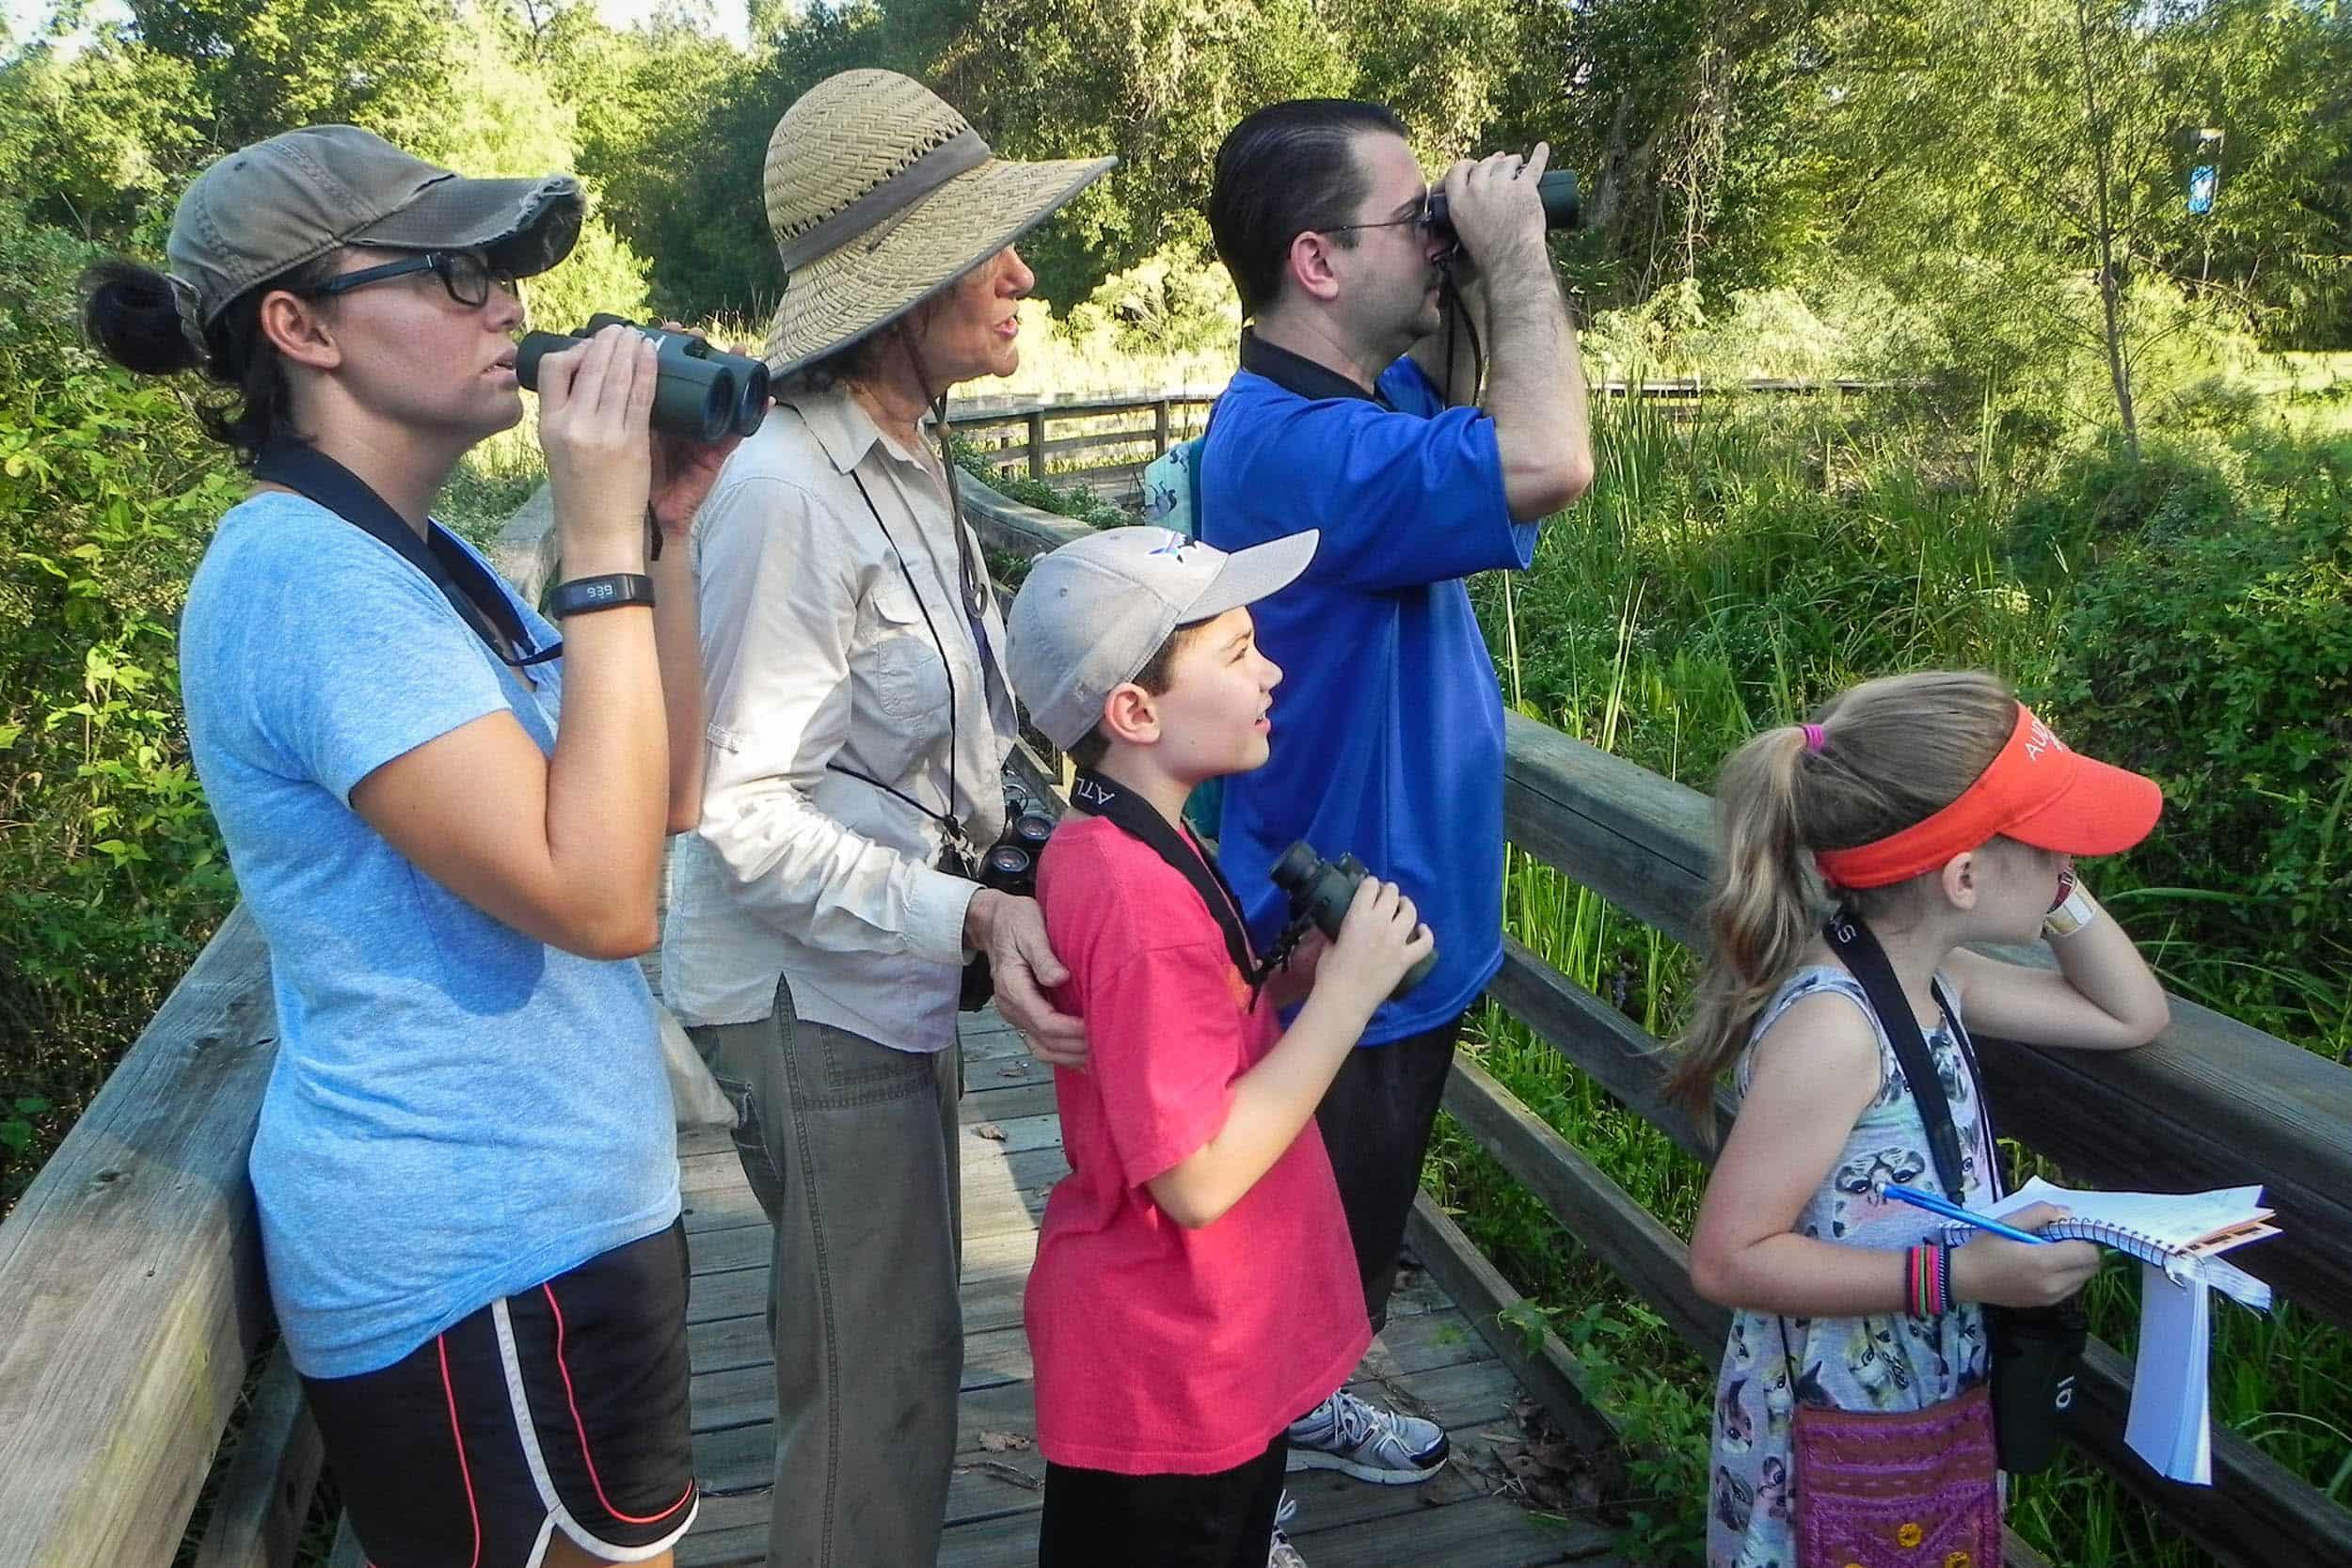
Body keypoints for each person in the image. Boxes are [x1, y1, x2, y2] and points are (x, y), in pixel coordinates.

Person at [82, 125, 736, 1568]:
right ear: (300, 326)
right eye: (452, 271)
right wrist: (598, 540)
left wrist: (660, 533)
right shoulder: (306, 577)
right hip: (478, 1254)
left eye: (502, 267)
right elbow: (603, 895)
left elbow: (661, 799)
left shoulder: (412, 557)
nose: (504, 301)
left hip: (559, 1217)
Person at [660, 69, 1111, 1567]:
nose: (1021, 271)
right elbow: (741, 812)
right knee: (877, 1385)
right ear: (900, 287)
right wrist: (978, 911)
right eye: (990, 245)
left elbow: (951, 727)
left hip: (881, 974)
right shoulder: (784, 492)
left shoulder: (909, 455)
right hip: (813, 994)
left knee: (902, 1353)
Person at [1197, 99, 1595, 1483]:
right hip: (1337, 947)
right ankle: (1235, 1498)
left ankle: (1296, 1409)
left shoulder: (1355, 410)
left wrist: (1472, 259)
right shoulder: (1296, 451)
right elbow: (1551, 458)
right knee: (1273, 1271)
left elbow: (1478, 396)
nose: (1435, 237)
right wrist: (1519, 256)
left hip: (1397, 933)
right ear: (1315, 260)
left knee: (1337, 1250)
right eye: (1407, 216)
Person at [1003, 525, 1434, 1568]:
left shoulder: (1120, 835)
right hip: (1173, 1365)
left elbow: (1179, 1021)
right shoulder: (1133, 890)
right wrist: (1345, 998)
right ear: (1135, 710)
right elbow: (1194, 1173)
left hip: (1197, 1346)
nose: (1270, 668)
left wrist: (1285, 975)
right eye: (1236, 652)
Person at [1674, 672, 2171, 1568]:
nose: (2073, 858)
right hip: (1832, 1429)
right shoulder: (1837, 1024)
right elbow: (1726, 1256)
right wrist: (1965, 1273)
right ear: (1966, 876)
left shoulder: (1934, 975)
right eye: (2053, 841)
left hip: (1914, 1403)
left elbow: (2131, 1014)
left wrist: (2056, 892)